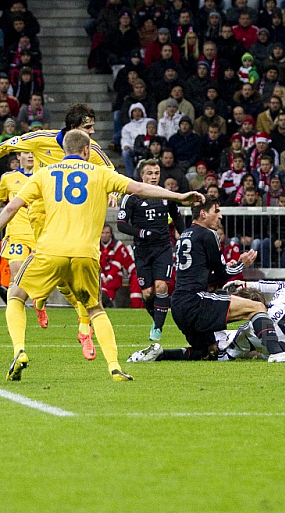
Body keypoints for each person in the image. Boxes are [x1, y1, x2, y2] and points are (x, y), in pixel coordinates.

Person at [2, 130, 203, 382]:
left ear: (64, 150)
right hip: (86, 253)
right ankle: (114, 366)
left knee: (16, 295)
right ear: (86, 151)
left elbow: (11, 207)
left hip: (50, 250)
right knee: (95, 309)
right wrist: (179, 196)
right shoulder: (100, 173)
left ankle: (20, 350)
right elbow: (139, 187)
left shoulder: (44, 174)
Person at [0, 103, 115, 359]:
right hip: (42, 215)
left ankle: (84, 328)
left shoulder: (92, 150)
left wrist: (115, 192)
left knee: (74, 271)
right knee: (60, 273)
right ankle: (40, 301)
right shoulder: (42, 139)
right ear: (74, 127)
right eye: (88, 127)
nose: (93, 132)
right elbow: (8, 145)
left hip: (76, 218)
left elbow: (111, 172)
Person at [171, 197, 285, 362]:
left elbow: (205, 276)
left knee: (209, 352)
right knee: (256, 307)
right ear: (203, 213)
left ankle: (159, 354)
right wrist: (241, 265)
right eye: (216, 211)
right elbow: (221, 274)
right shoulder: (208, 234)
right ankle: (278, 353)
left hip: (179, 306)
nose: (220, 216)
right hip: (195, 302)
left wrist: (230, 269)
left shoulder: (186, 234)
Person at [128, 280, 285, 362]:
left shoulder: (247, 331)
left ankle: (162, 355)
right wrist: (250, 284)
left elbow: (223, 356)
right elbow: (283, 285)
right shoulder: (280, 304)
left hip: (256, 340)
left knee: (212, 350)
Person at [117, 160, 186, 342]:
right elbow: (121, 225)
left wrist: (184, 235)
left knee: (161, 286)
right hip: (142, 250)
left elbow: (177, 216)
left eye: (156, 173)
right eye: (150, 173)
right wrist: (141, 232)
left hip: (163, 247)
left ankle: (157, 328)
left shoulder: (165, 195)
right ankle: (157, 318)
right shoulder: (131, 197)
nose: (154, 177)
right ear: (142, 176)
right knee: (147, 293)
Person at [0, 151, 34, 303]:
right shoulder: (8, 178)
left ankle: (39, 302)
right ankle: (12, 319)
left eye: (33, 153)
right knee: (16, 274)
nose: (30, 156)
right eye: (26, 152)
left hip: (40, 236)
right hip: (16, 235)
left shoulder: (46, 176)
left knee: (35, 280)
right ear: (19, 156)